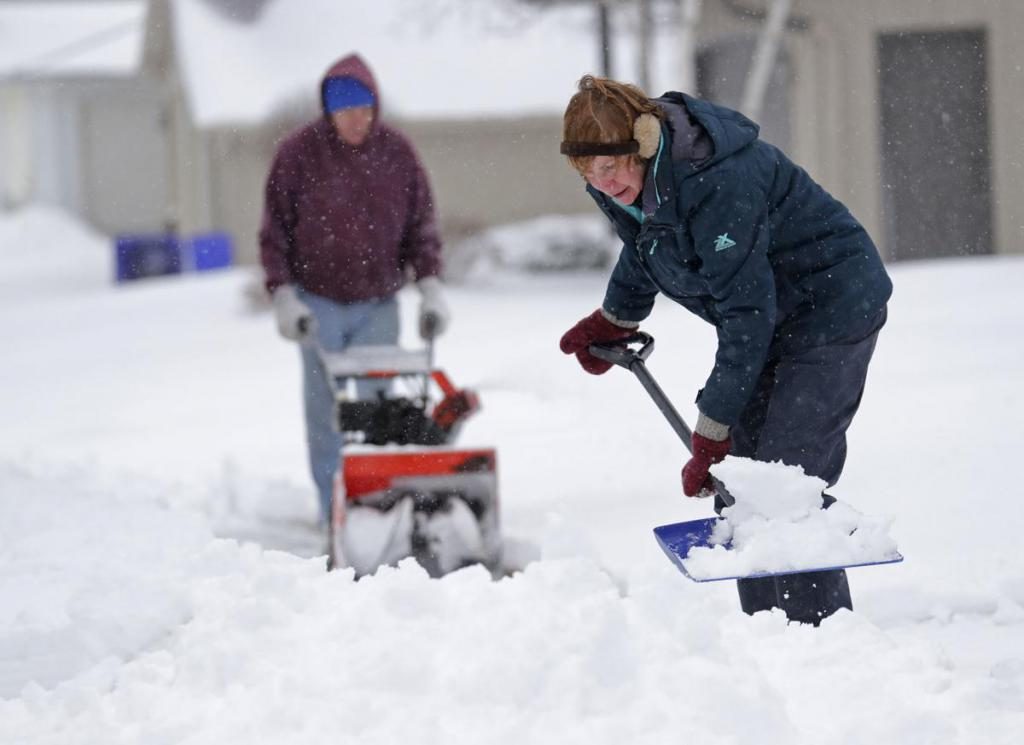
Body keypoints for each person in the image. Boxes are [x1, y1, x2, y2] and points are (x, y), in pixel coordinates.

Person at [557, 75, 892, 626]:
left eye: (611, 164)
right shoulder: (629, 183)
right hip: (772, 314)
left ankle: (824, 638)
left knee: (787, 477)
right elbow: (648, 244)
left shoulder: (717, 180)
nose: (601, 180)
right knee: (742, 474)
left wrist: (711, 427)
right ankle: (764, 629)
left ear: (643, 140)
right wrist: (616, 318)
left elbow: (746, 315)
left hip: (831, 306)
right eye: (588, 169)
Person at [260, 53, 449, 524]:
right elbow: (274, 232)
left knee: (377, 405)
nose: (357, 121)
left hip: (378, 301)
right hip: (317, 302)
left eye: (365, 110)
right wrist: (282, 296)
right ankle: (335, 511)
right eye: (346, 112)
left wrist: (429, 287)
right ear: (329, 110)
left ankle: (380, 503)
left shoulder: (397, 154)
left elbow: (421, 225)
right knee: (325, 410)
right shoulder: (299, 154)